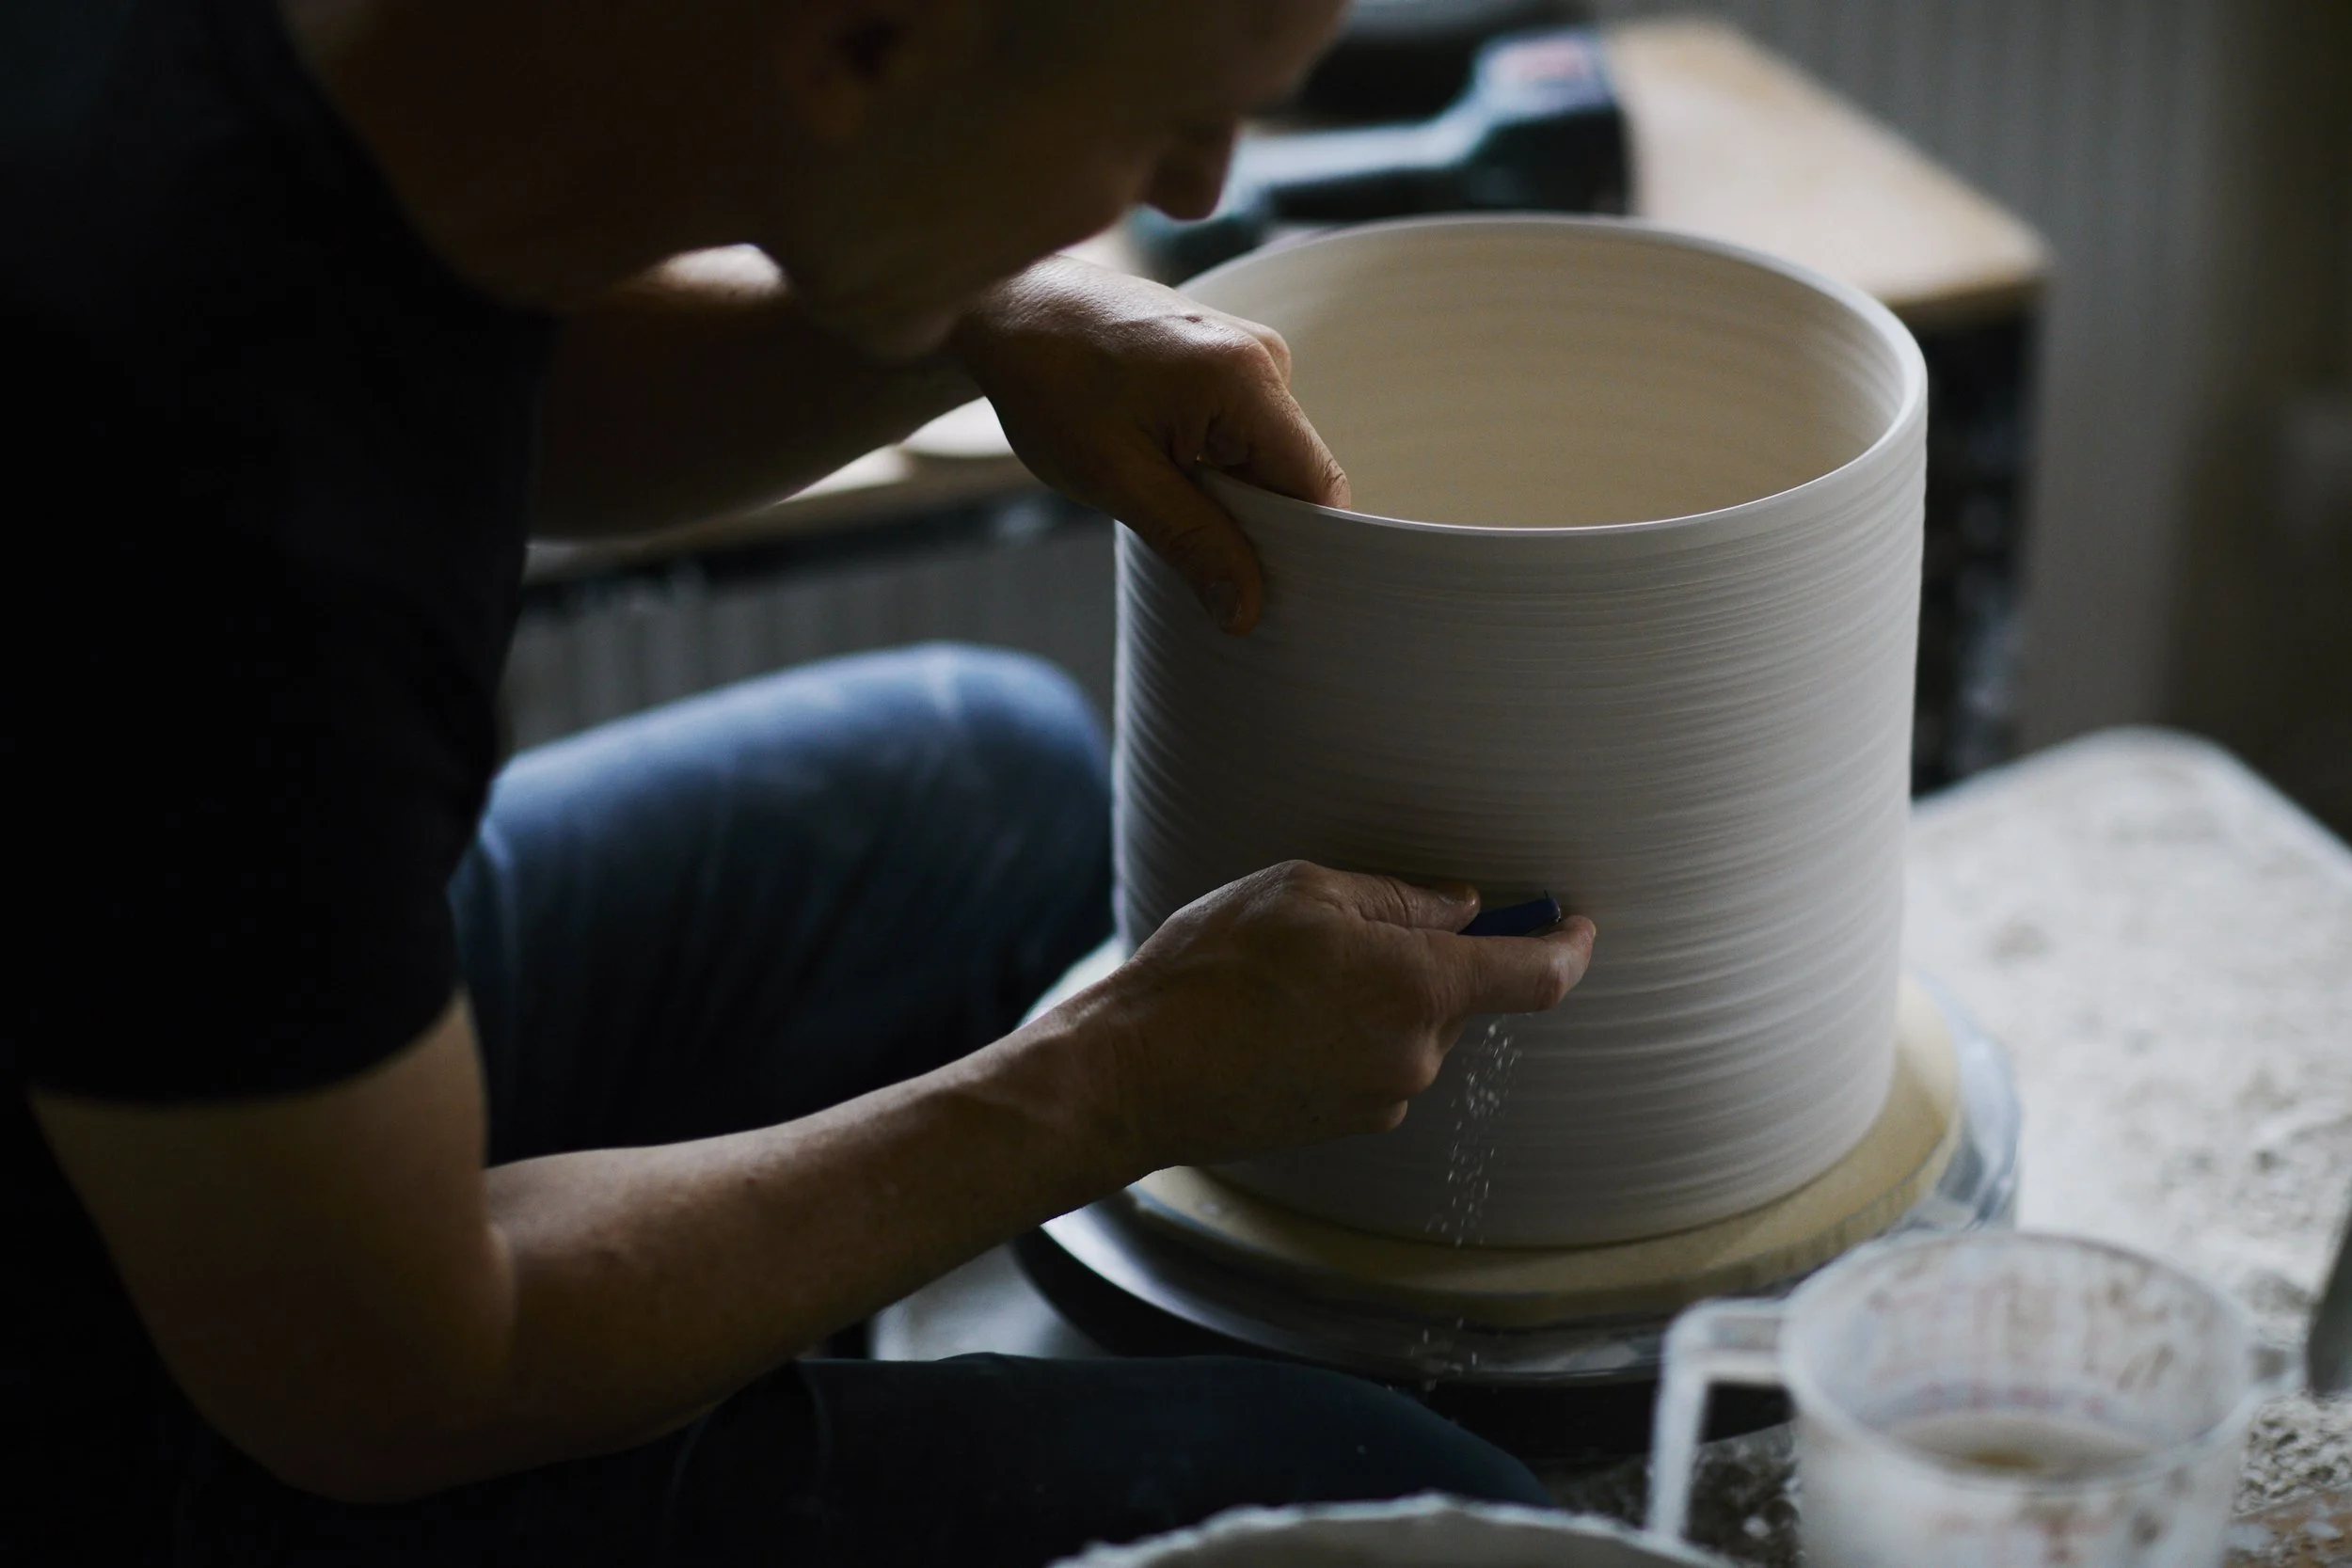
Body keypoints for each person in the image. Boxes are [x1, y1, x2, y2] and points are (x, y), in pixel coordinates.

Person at [2, 0, 1599, 1561]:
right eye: (1159, 118)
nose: (1192, 188)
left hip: (148, 1025)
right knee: (1408, 1507)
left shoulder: (381, 94)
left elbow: (485, 374)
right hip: (159, 1395)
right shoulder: (189, 526)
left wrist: (984, 316)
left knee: (990, 772)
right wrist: (1116, 1078)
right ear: (861, 52)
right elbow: (394, 1382)